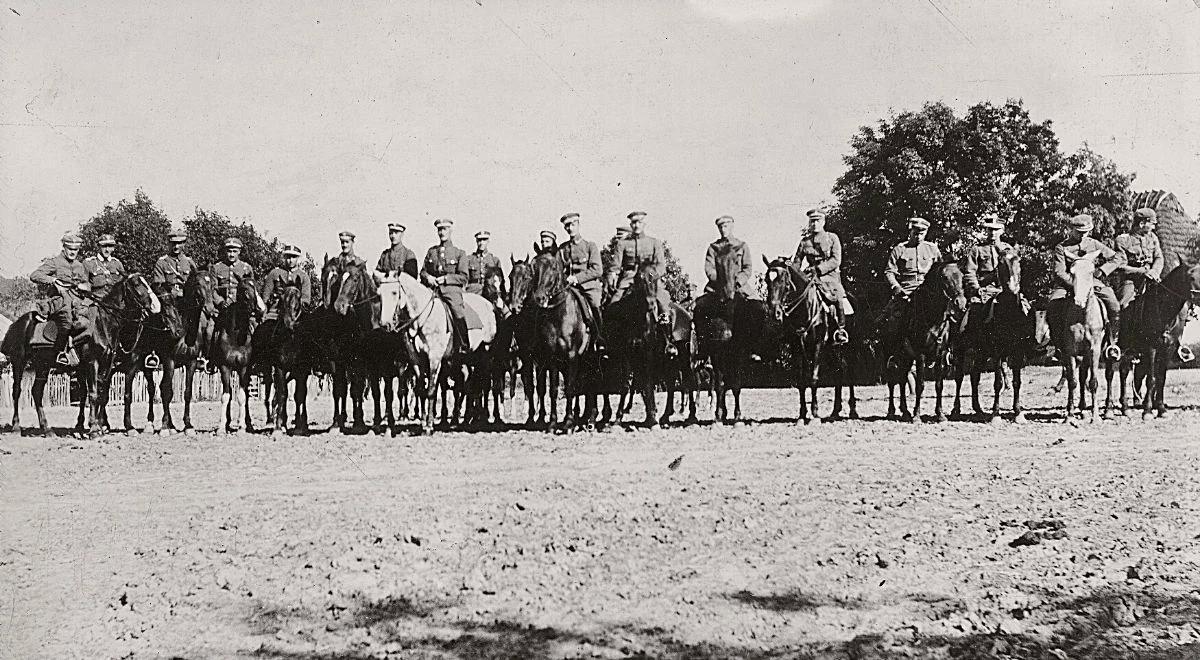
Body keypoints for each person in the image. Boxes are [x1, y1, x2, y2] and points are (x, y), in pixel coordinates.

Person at [1047, 213, 1124, 360]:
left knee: (1114, 304)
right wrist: (1077, 284)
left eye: (1086, 232)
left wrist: (1102, 271)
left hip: (1092, 282)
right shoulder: (1062, 247)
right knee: (1052, 305)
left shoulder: (1094, 244)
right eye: (1079, 232)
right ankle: (1058, 346)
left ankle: (1112, 343)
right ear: (1071, 230)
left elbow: (1117, 257)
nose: (1082, 236)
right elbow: (1059, 272)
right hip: (1068, 284)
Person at [605, 211, 675, 354]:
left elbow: (661, 266)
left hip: (650, 279)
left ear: (644, 224)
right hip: (629, 279)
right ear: (631, 225)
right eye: (634, 223)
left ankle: (668, 342)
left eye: (639, 222)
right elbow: (615, 266)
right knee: (613, 304)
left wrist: (648, 276)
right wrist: (612, 276)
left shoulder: (654, 243)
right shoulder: (623, 244)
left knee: (663, 301)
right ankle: (610, 344)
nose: (636, 225)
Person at [875, 217, 942, 342]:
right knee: (894, 320)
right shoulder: (900, 249)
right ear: (910, 231)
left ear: (926, 233)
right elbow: (889, 272)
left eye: (921, 234)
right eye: (915, 233)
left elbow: (941, 271)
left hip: (929, 290)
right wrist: (896, 288)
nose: (918, 236)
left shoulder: (932, 249)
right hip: (907, 290)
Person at [30, 232, 90, 365]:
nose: (73, 252)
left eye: (76, 250)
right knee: (67, 320)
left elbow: (87, 284)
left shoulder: (80, 266)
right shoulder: (55, 262)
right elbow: (34, 275)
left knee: (91, 320)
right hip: (59, 301)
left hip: (77, 301)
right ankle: (60, 353)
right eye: (70, 249)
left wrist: (84, 286)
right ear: (64, 247)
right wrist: (53, 280)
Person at [792, 209, 849, 345]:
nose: (815, 224)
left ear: (823, 222)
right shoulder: (804, 242)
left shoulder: (832, 238)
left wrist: (818, 269)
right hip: (811, 279)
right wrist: (792, 269)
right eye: (812, 221)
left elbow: (836, 260)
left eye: (818, 220)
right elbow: (797, 262)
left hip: (830, 278)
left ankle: (840, 331)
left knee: (836, 297)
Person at [693, 215, 754, 341]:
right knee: (699, 307)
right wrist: (721, 281)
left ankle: (756, 349)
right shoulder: (714, 247)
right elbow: (709, 269)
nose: (723, 229)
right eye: (720, 227)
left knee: (758, 308)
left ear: (731, 226)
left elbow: (747, 268)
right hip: (717, 288)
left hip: (739, 287)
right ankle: (703, 348)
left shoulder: (741, 246)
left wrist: (738, 281)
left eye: (725, 226)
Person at [421, 218, 471, 354]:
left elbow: (464, 277)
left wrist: (446, 279)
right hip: (432, 290)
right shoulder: (431, 252)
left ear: (451, 230)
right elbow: (423, 271)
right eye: (440, 229)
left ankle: (463, 344)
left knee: (457, 311)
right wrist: (428, 278)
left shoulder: (459, 253)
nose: (442, 232)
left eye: (445, 229)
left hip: (450, 291)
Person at [556, 213, 605, 349]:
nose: (570, 228)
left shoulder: (590, 246)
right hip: (568, 288)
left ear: (578, 225)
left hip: (587, 287)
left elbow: (597, 270)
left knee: (594, 305)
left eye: (573, 225)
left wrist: (577, 278)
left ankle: (599, 338)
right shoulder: (562, 249)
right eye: (567, 226)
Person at [1113, 207, 1164, 308]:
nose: (1153, 228)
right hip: (1130, 282)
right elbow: (1121, 266)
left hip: (1152, 279)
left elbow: (1159, 257)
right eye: (1152, 224)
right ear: (1142, 224)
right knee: (1125, 306)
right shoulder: (1123, 240)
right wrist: (1143, 272)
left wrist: (1155, 271)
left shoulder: (1152, 237)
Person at [962, 215, 1015, 303]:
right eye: (990, 229)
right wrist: (976, 288)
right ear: (986, 230)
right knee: (975, 311)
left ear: (1002, 231)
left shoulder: (1008, 249)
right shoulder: (977, 249)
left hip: (1005, 290)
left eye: (996, 230)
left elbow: (1015, 270)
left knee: (1025, 309)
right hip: (984, 291)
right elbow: (970, 272)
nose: (993, 233)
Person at [262, 244, 312, 319]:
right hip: (275, 311)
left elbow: (306, 299)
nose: (290, 260)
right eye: (288, 257)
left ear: (298, 258)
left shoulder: (303, 276)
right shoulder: (274, 273)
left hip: (296, 312)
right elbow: (266, 295)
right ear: (284, 257)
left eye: (294, 257)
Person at [151, 230, 198, 303]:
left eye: (179, 243)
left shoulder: (189, 262)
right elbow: (159, 286)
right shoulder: (162, 262)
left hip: (188, 300)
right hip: (170, 301)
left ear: (184, 244)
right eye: (173, 243)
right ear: (168, 244)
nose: (176, 246)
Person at [211, 237, 255, 310]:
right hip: (220, 307)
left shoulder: (246, 268)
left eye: (234, 251)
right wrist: (220, 302)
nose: (231, 254)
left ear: (239, 252)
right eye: (229, 251)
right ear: (225, 251)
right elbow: (212, 289)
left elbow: (251, 290)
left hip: (240, 307)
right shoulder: (216, 268)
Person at [82, 233, 126, 300]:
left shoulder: (117, 264)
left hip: (115, 302)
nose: (107, 250)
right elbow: (84, 284)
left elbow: (123, 285)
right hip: (96, 300)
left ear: (113, 248)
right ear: (99, 247)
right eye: (104, 246)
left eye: (110, 246)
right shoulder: (89, 263)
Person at [464, 230, 502, 295]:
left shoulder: (494, 260)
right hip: (473, 291)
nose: (481, 243)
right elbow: (464, 278)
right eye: (479, 240)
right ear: (476, 241)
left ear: (488, 241)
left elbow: (500, 281)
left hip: (490, 293)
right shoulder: (469, 259)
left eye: (484, 240)